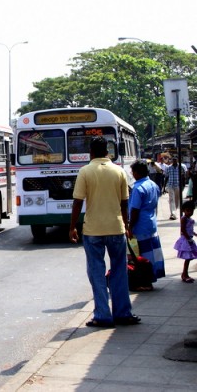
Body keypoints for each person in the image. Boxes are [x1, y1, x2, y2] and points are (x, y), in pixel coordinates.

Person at [69, 136, 140, 328]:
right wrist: (126, 226)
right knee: (119, 271)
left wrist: (72, 226)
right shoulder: (119, 171)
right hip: (116, 228)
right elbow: (124, 202)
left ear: (90, 152)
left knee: (97, 273)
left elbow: (78, 201)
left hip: (93, 230)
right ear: (107, 151)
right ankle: (123, 313)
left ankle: (102, 315)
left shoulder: (85, 171)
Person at [128, 159, 165, 289]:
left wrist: (130, 227)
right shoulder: (153, 185)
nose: (132, 174)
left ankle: (145, 282)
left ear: (137, 172)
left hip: (140, 225)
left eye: (133, 172)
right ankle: (151, 277)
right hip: (151, 223)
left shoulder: (138, 188)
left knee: (142, 255)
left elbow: (135, 210)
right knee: (152, 253)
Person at [174, 200, 197, 283]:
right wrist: (188, 239)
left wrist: (194, 234)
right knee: (188, 258)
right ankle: (184, 274)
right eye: (188, 210)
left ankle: (185, 274)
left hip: (189, 239)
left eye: (191, 211)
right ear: (183, 210)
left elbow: (190, 229)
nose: (190, 212)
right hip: (186, 240)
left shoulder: (189, 219)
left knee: (189, 258)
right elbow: (183, 230)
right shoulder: (184, 219)